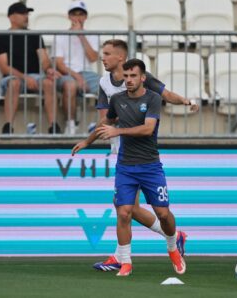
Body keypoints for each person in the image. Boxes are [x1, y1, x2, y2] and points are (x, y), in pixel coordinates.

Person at [72, 59, 186, 277]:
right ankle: (125, 261)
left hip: (150, 166)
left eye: (133, 76)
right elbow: (105, 124)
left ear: (143, 77)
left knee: (162, 213)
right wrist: (87, 142)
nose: (129, 80)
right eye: (126, 77)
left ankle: (173, 245)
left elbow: (147, 129)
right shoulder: (117, 99)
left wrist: (118, 132)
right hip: (125, 166)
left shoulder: (152, 99)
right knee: (123, 212)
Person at [91, 39, 197, 272]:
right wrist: (89, 139)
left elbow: (166, 94)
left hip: (140, 148)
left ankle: (128, 254)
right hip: (120, 148)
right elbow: (104, 118)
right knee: (124, 207)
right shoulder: (104, 83)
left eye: (107, 53)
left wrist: (185, 101)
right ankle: (135, 251)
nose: (103, 57)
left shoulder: (142, 78)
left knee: (127, 208)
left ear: (120, 57)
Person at [0, 2, 59, 134]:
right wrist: (25, 77)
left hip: (34, 77)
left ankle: (54, 126)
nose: (26, 16)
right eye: (22, 13)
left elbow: (44, 59)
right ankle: (8, 126)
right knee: (14, 83)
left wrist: (49, 70)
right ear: (11, 17)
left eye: (27, 14)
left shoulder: (34, 35)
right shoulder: (2, 36)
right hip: (11, 78)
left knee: (49, 83)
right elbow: (4, 67)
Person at [54, 0, 100, 134]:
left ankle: (109, 126)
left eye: (81, 14)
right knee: (70, 85)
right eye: (74, 14)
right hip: (67, 73)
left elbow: (92, 58)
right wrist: (77, 77)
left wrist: (81, 35)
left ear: (85, 17)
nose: (78, 17)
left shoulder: (92, 35)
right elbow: (59, 64)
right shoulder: (60, 36)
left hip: (88, 73)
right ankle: (71, 125)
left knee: (109, 86)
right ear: (69, 16)